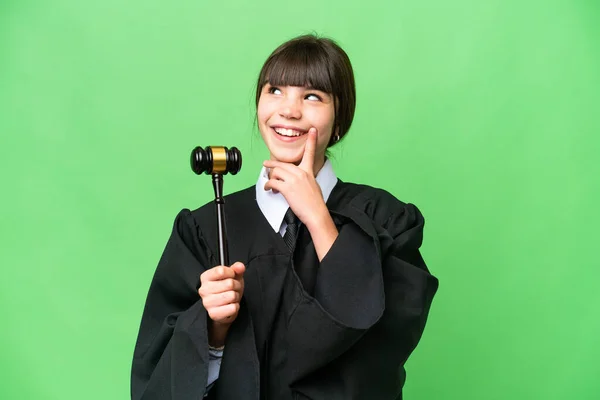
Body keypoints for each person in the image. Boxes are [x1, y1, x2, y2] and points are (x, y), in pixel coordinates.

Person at [131, 34, 438, 400]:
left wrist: (317, 217)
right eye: (274, 90)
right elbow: (158, 372)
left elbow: (385, 342)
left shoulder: (384, 219)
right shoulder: (206, 231)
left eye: (312, 96)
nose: (288, 110)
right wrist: (211, 328)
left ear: (340, 117)